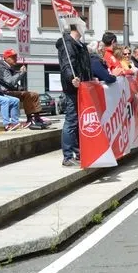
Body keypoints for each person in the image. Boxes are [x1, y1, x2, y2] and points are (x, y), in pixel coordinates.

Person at [55, 24, 92, 167]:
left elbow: (84, 65)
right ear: (77, 26)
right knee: (71, 120)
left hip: (82, 87)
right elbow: (66, 64)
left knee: (77, 121)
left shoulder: (79, 45)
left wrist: (89, 77)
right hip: (72, 88)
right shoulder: (67, 44)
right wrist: (72, 78)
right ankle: (68, 155)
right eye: (84, 25)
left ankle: (77, 152)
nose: (87, 27)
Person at [0, 48, 49, 129]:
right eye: (13, 57)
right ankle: (30, 119)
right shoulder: (1, 67)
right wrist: (21, 73)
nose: (16, 59)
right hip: (5, 92)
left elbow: (13, 83)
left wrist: (20, 88)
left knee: (34, 94)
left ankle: (37, 118)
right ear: (6, 58)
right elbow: (10, 81)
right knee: (28, 95)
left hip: (11, 91)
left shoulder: (9, 67)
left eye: (16, 57)